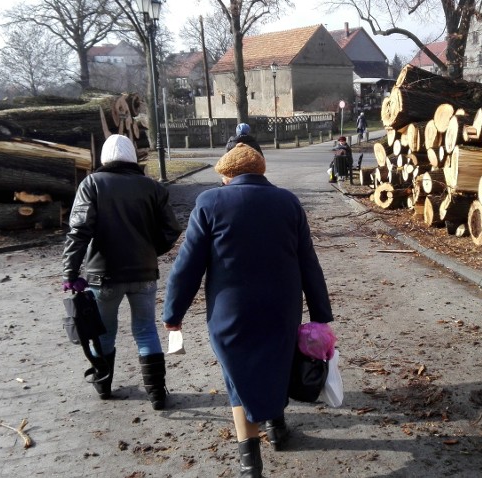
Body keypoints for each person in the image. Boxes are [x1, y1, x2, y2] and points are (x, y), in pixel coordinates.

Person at [161, 143, 334, 478]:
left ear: (227, 175)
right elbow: (308, 261)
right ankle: (277, 429)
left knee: (238, 377)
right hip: (281, 307)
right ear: (260, 172)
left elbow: (188, 266)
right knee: (276, 362)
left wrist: (173, 314)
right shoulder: (288, 202)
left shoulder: (210, 202)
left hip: (231, 312)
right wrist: (320, 314)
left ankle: (249, 464)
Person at [61, 134, 182, 410]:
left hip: (102, 275)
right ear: (132, 158)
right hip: (144, 273)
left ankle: (103, 384)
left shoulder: (91, 184)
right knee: (146, 329)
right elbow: (171, 229)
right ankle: (157, 394)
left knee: (103, 332)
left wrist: (70, 273)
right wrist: (151, 251)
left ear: (104, 158)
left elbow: (78, 232)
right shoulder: (153, 187)